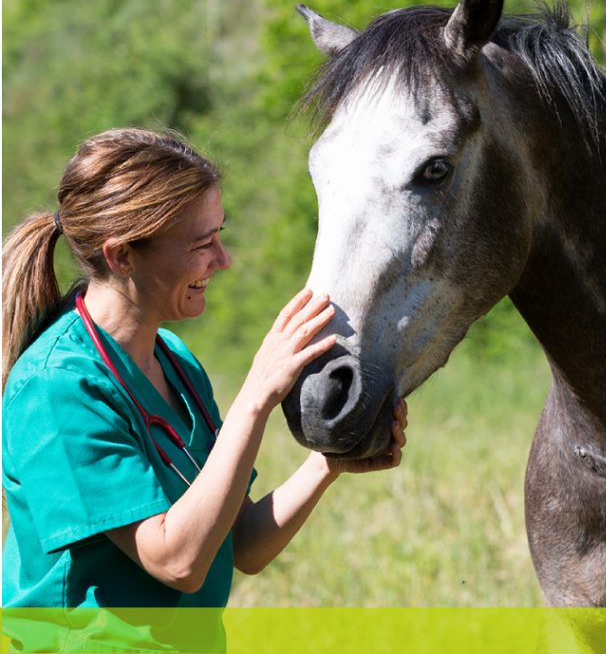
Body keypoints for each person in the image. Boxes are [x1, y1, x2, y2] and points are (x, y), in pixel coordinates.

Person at [1, 128, 408, 614]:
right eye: (201, 243)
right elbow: (177, 561)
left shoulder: (174, 360)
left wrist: (329, 463)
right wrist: (257, 396)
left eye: (220, 234)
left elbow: (244, 544)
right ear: (122, 255)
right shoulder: (57, 386)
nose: (223, 260)